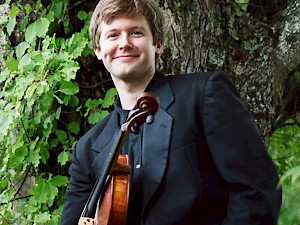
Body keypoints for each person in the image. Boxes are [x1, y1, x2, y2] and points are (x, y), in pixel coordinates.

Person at [60, 0, 282, 224]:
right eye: (113, 35)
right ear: (98, 50)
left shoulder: (203, 95)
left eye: (136, 32)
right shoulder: (89, 148)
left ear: (158, 43)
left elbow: (256, 192)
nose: (124, 43)